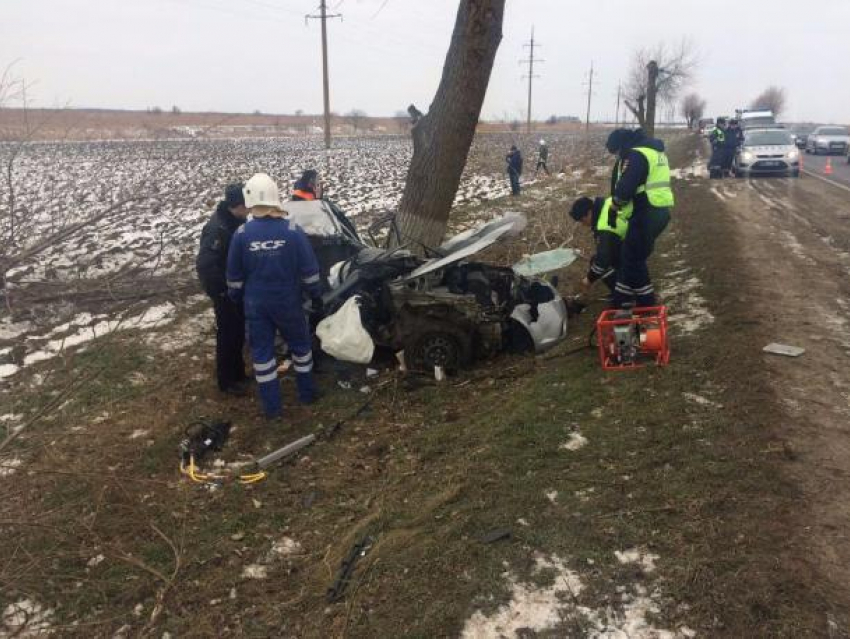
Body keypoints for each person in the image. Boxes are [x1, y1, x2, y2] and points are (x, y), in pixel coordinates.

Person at [226, 173, 323, 420]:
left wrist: (236, 299)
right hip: (288, 301)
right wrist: (316, 295)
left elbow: (234, 278)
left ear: (249, 200)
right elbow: (310, 271)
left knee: (262, 355)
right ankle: (307, 394)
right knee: (300, 347)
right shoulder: (292, 231)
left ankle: (272, 408)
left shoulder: (241, 234)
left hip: (256, 304)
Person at [605, 128, 674, 308]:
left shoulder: (636, 155)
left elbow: (626, 186)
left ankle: (646, 303)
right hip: (660, 210)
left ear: (621, 146)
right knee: (632, 256)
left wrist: (614, 206)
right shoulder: (654, 152)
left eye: (616, 152)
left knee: (632, 258)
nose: (617, 157)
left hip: (645, 211)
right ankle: (622, 299)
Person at [196, 183, 250, 395]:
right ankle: (226, 381)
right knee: (227, 333)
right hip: (223, 291)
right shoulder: (217, 229)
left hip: (235, 289)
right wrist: (220, 292)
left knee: (237, 332)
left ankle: (238, 373)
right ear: (237, 205)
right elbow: (205, 265)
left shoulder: (235, 222)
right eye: (246, 205)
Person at [568, 195, 628, 296]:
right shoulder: (605, 204)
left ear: (589, 212)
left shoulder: (605, 226)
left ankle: (623, 295)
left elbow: (603, 260)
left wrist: (588, 279)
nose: (583, 224)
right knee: (597, 260)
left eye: (582, 220)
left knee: (601, 263)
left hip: (635, 246)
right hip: (635, 238)